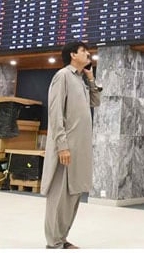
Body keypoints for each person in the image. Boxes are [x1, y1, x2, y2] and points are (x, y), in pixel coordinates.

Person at [42, 41, 99, 249]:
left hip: (80, 148)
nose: (88, 53)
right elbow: (55, 113)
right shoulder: (62, 76)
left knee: (73, 195)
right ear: (73, 55)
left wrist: (91, 78)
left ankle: (62, 238)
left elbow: (96, 101)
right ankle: (53, 242)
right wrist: (62, 145)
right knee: (59, 196)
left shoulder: (81, 80)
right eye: (84, 51)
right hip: (66, 147)